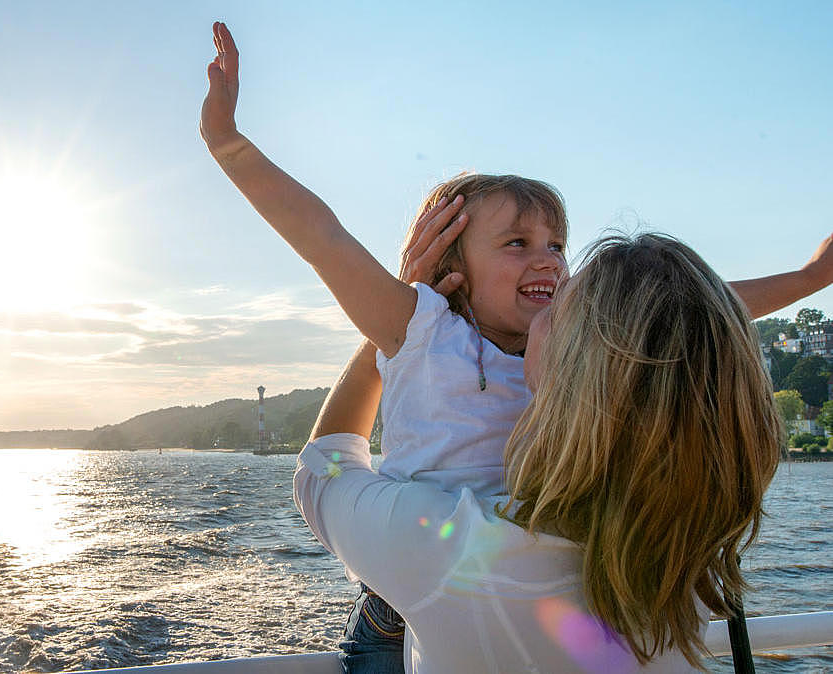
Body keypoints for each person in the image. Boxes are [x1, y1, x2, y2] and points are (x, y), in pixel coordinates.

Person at [200, 20, 832, 674]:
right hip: (403, 588)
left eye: (557, 244)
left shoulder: (576, 328)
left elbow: (687, 309)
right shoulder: (421, 325)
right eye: (517, 244)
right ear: (455, 263)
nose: (550, 262)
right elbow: (323, 239)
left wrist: (811, 279)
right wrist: (228, 143)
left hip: (448, 557)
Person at [295, 232, 786, 671]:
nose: (539, 314)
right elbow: (682, 331)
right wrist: (812, 276)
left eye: (558, 310)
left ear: (578, 372)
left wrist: (396, 329)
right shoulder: (690, 556)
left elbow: (322, 468)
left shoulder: (452, 550)